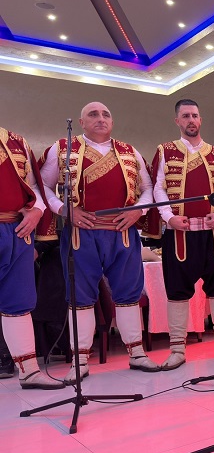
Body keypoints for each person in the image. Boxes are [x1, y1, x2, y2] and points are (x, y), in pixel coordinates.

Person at [40, 103, 158, 382]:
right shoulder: (62, 148)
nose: (100, 118)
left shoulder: (131, 152)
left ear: (112, 121)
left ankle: (137, 354)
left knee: (129, 294)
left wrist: (137, 211)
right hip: (82, 233)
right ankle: (79, 360)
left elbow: (149, 188)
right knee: (79, 298)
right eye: (93, 114)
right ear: (81, 122)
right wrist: (64, 210)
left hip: (123, 232)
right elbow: (42, 186)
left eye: (105, 114)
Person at [152, 99, 214, 369]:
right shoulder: (164, 150)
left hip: (213, 235)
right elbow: (158, 189)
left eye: (195, 116)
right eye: (185, 116)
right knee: (177, 292)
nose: (191, 120)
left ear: (201, 120)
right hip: (179, 235)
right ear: (177, 121)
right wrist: (169, 217)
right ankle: (177, 348)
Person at [0, 126, 64, 389]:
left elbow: (35, 187)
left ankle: (28, 371)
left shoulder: (17, 141)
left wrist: (37, 210)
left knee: (18, 303)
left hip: (17, 230)